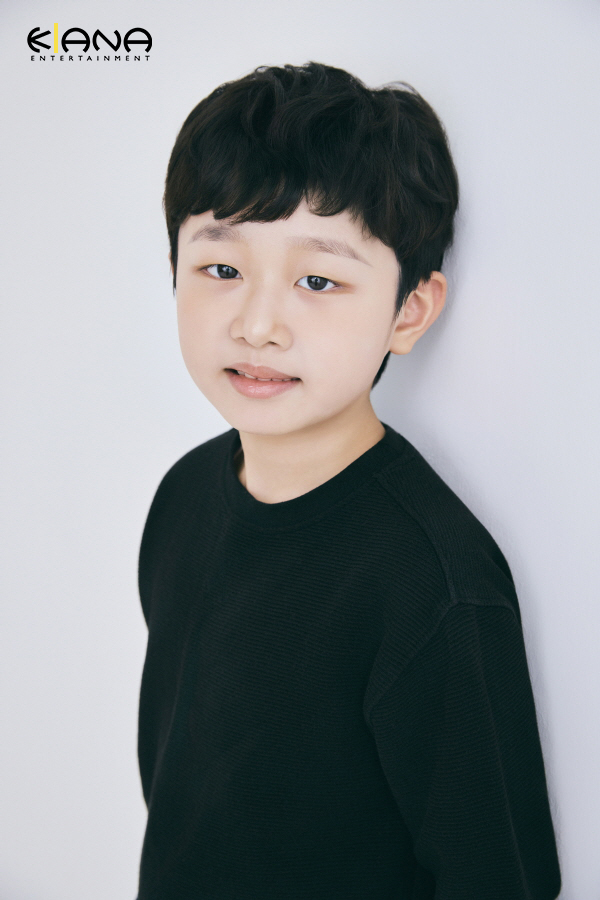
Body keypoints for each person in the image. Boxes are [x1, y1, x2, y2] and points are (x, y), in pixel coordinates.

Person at [135, 61, 561, 899]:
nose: (258, 324)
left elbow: (497, 878)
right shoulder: (183, 496)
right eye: (221, 269)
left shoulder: (432, 584)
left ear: (409, 311)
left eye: (318, 280)